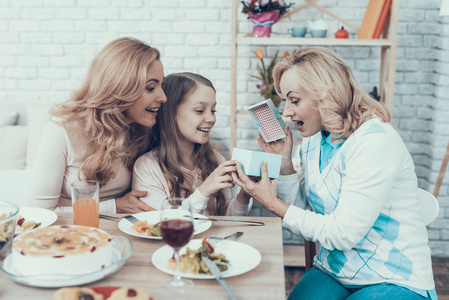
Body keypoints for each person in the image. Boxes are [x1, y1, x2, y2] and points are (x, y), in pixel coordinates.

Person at [232, 47, 436, 299]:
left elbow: (342, 234)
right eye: (285, 101)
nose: (285, 112)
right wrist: (285, 163)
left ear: (325, 95)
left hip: (392, 277)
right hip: (335, 270)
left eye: (294, 100)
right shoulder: (314, 139)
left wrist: (271, 202)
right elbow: (305, 214)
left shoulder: (375, 141)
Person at [28, 37, 166, 214]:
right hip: (67, 233)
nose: (163, 97)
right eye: (150, 88)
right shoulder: (60, 131)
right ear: (121, 87)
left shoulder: (143, 129)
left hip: (124, 230)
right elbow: (39, 213)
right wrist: (114, 206)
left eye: (162, 85)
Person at [132, 72, 252, 215]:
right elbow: (161, 224)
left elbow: (227, 219)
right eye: (199, 111)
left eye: (213, 110)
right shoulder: (147, 167)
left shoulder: (215, 159)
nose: (211, 118)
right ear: (171, 114)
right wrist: (204, 190)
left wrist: (245, 194)